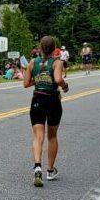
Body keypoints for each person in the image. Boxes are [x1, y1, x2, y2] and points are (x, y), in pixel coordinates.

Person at [23, 35, 68, 187]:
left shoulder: (32, 63)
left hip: (37, 99)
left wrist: (39, 77)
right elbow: (58, 79)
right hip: (52, 100)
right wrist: (65, 86)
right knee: (52, 136)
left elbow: (26, 83)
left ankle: (37, 167)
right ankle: (50, 170)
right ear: (54, 48)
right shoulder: (57, 63)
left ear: (40, 48)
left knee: (38, 136)